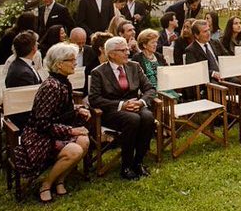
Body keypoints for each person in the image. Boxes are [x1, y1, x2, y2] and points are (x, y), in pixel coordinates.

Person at [13, 43, 91, 202]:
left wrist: (77, 110)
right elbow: (42, 124)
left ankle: (60, 179)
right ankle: (46, 185)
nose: (75, 63)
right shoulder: (51, 86)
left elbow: (60, 111)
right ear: (59, 64)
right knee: (75, 150)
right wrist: (71, 131)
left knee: (85, 141)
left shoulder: (62, 82)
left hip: (52, 132)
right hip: (38, 138)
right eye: (71, 60)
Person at [88, 36, 156, 180]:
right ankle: (126, 165)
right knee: (133, 120)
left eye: (127, 49)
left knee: (148, 117)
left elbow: (150, 89)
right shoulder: (98, 72)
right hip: (112, 111)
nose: (127, 53)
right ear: (111, 54)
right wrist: (121, 105)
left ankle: (138, 162)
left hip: (135, 105)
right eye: (123, 50)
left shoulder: (134, 66)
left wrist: (141, 102)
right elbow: (94, 99)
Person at [132, 29, 178, 99]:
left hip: (163, 88)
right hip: (148, 91)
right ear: (144, 45)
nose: (155, 45)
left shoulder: (159, 56)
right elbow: (136, 79)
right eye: (153, 42)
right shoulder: (137, 58)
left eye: (156, 42)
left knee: (173, 97)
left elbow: (167, 71)